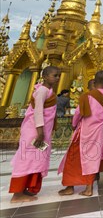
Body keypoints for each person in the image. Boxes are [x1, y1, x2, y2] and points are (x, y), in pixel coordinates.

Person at [58, 70, 103, 197]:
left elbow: (78, 114)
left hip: (83, 131)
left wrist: (74, 125)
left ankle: (70, 186)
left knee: (73, 158)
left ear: (94, 81)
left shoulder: (86, 96)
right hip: (98, 132)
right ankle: (89, 188)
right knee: (92, 158)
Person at [9, 66, 60, 203]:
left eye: (58, 75)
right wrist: (40, 132)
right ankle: (17, 194)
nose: (57, 78)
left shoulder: (48, 90)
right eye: (54, 75)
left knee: (37, 158)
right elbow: (38, 111)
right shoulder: (42, 91)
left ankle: (27, 187)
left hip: (41, 132)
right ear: (45, 77)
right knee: (26, 160)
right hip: (35, 132)